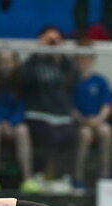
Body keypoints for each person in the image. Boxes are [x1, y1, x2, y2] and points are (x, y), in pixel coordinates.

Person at [23, 26, 80, 194]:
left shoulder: (65, 63)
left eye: (55, 41)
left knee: (70, 135)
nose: (52, 44)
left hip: (61, 114)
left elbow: (73, 81)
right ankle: (40, 175)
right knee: (47, 135)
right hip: (38, 112)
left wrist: (59, 58)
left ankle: (65, 177)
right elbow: (24, 80)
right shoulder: (33, 62)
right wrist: (39, 54)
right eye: (48, 40)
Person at [0, 50, 37, 195]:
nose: (6, 66)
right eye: (2, 62)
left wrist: (11, 123)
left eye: (9, 61)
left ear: (16, 63)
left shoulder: (21, 84)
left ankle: (27, 179)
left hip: (13, 124)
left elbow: (21, 107)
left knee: (23, 130)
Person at [71, 40, 112, 193]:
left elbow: (107, 104)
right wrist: (82, 120)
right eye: (80, 58)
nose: (83, 61)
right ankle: (78, 177)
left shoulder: (100, 80)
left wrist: (99, 119)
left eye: (86, 58)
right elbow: (70, 106)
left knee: (106, 131)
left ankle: (104, 174)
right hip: (79, 123)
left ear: (92, 59)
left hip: (97, 121)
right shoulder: (71, 80)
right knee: (85, 134)